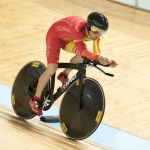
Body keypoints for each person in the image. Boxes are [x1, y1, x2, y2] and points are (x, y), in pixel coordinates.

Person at [29, 12, 118, 116]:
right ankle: (35, 99)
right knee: (52, 68)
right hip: (55, 36)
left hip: (69, 40)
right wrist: (98, 58)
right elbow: (84, 52)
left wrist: (107, 62)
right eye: (95, 29)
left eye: (102, 31)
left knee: (82, 55)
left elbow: (96, 55)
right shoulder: (77, 28)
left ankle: (64, 75)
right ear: (88, 26)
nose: (98, 33)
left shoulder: (98, 36)